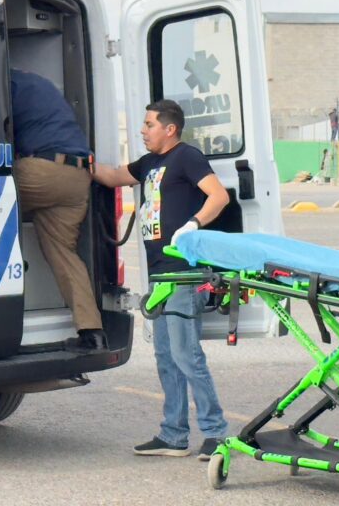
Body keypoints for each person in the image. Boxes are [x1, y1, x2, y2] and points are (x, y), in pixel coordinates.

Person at [92, 99, 230, 461]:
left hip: (184, 274)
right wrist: (76, 161)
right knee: (166, 357)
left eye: (149, 124)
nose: (142, 130)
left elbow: (219, 196)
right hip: (160, 275)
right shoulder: (148, 163)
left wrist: (193, 224)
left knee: (187, 356)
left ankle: (216, 433)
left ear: (170, 129)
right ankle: (173, 435)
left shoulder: (187, 157)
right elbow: (112, 177)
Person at [9, 69, 107, 352]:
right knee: (64, 253)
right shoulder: (39, 83)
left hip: (43, 171)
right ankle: (92, 333)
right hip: (78, 177)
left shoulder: (2, 84)